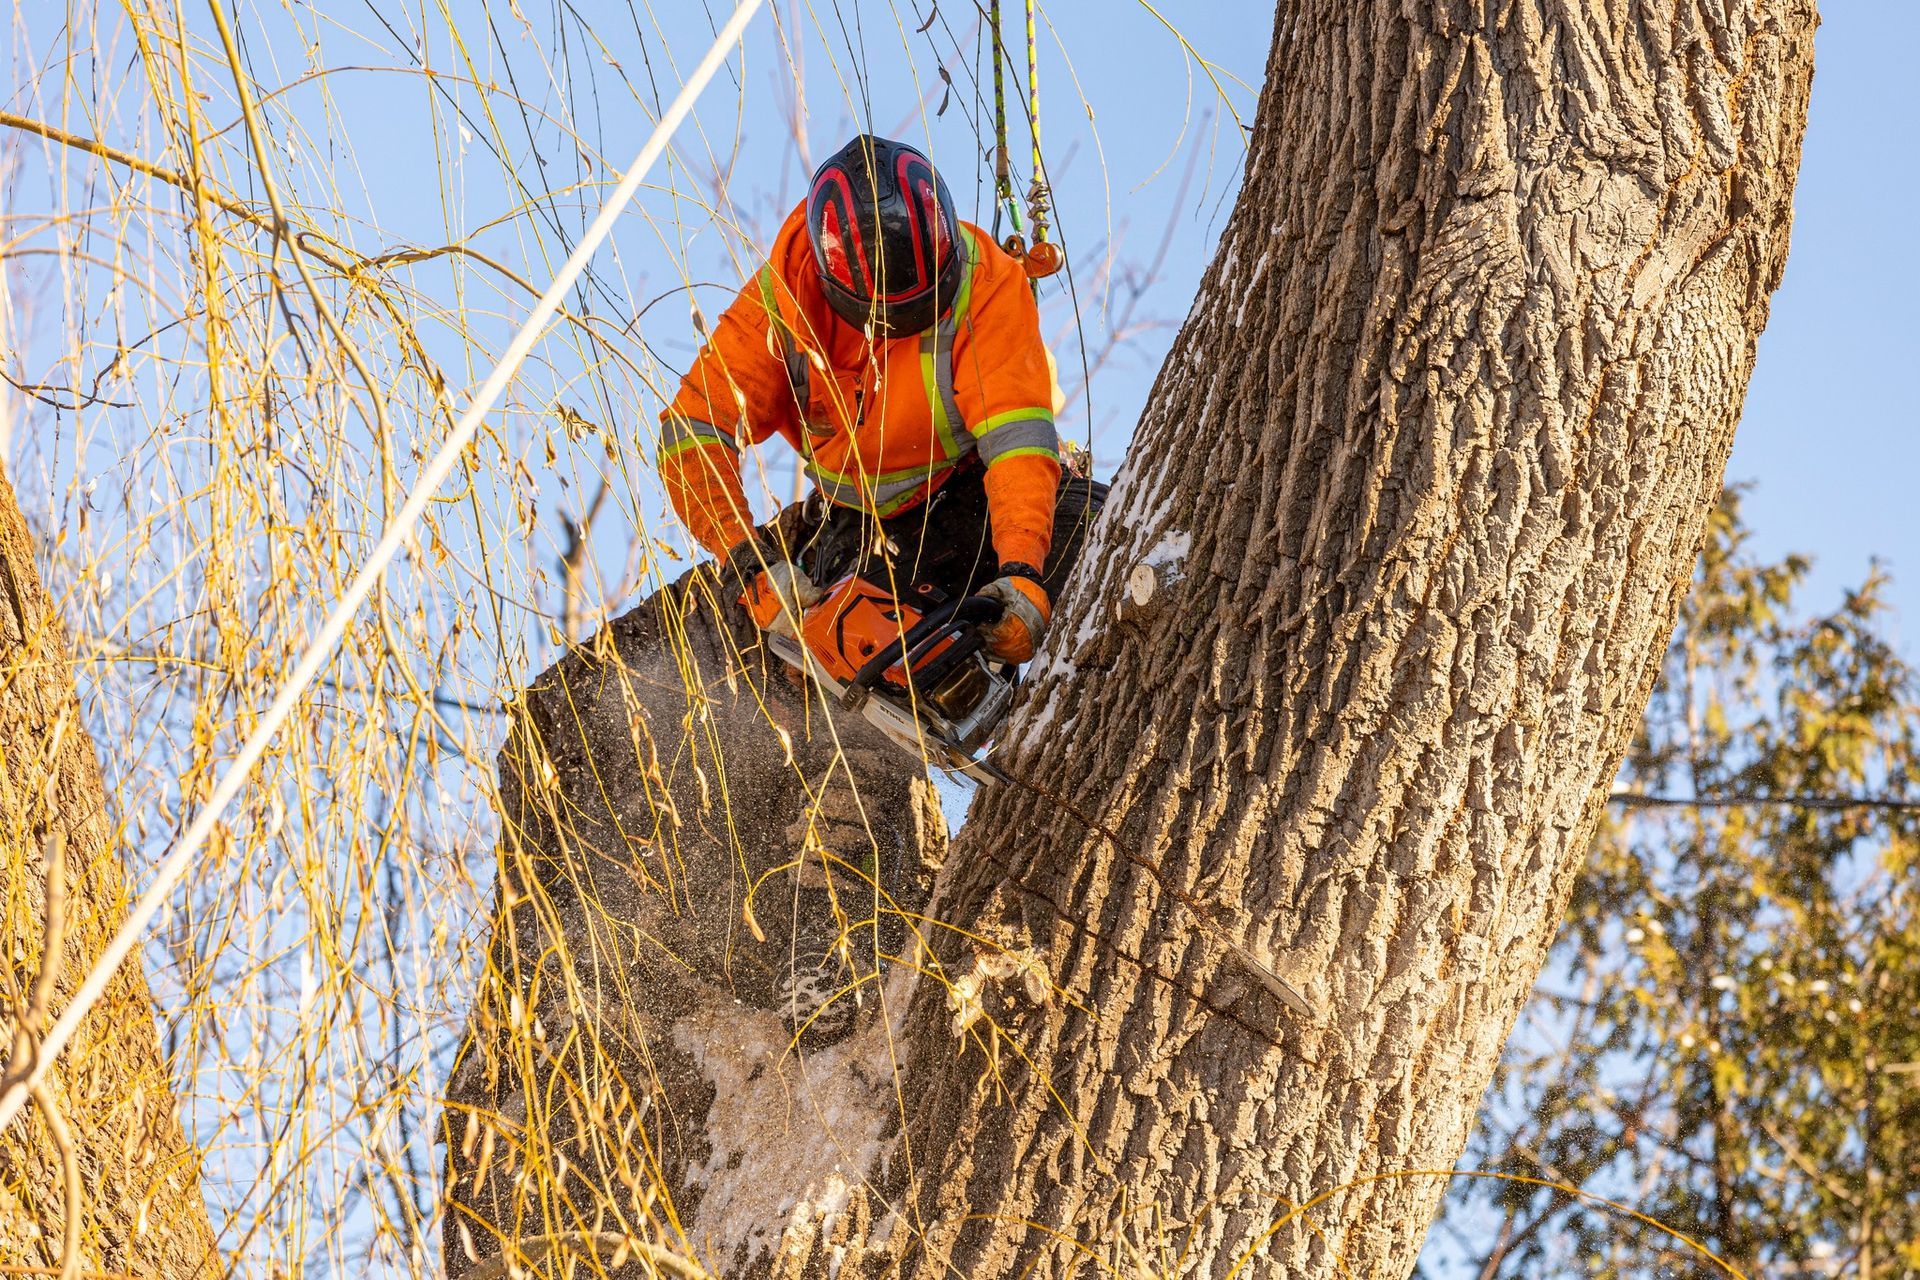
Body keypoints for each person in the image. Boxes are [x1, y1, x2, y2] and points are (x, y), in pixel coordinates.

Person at [658, 133, 1103, 667]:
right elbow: (692, 426)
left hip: (974, 492)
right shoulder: (779, 306)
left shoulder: (985, 283)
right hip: (858, 530)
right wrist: (746, 560)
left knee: (1099, 540)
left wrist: (1023, 567)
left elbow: (1017, 443)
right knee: (855, 660)